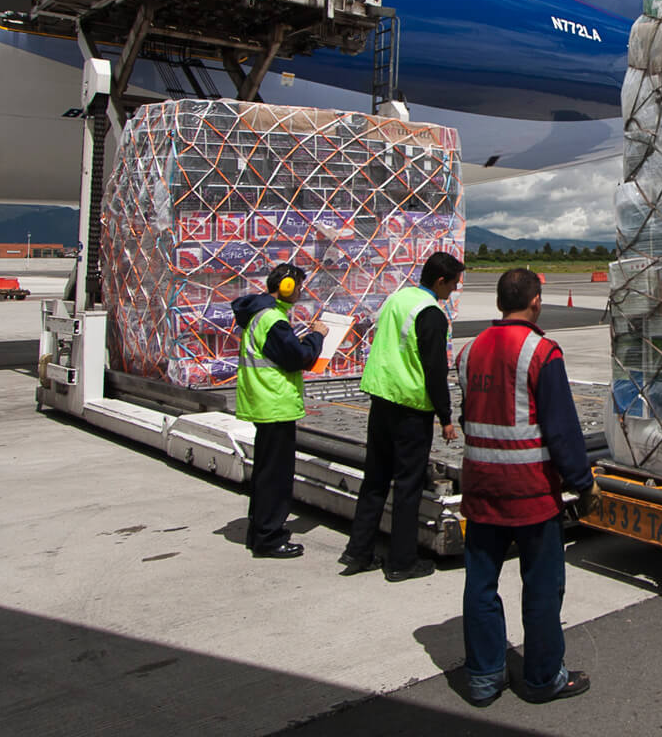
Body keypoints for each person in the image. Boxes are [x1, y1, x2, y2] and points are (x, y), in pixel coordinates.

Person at [456, 268, 596, 706]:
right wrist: (583, 484)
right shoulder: (542, 352)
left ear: (500, 302)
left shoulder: (468, 352)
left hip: (480, 487)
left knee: (480, 583)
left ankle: (483, 677)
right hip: (531, 493)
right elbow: (562, 430)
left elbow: (468, 417)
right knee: (540, 585)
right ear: (535, 301)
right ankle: (541, 678)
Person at [340, 251, 464, 581]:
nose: (453, 290)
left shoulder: (398, 299)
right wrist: (446, 416)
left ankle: (358, 551)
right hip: (410, 407)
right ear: (440, 281)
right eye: (453, 284)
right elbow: (436, 370)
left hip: (381, 399)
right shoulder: (431, 314)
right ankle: (402, 562)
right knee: (407, 487)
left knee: (375, 480)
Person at [232, 262, 327, 559]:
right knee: (275, 477)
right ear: (286, 287)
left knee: (264, 474)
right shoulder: (273, 320)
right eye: (298, 286)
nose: (300, 292)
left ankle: (259, 532)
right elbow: (298, 358)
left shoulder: (261, 316)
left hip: (265, 402)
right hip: (275, 404)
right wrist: (317, 336)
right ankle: (270, 538)